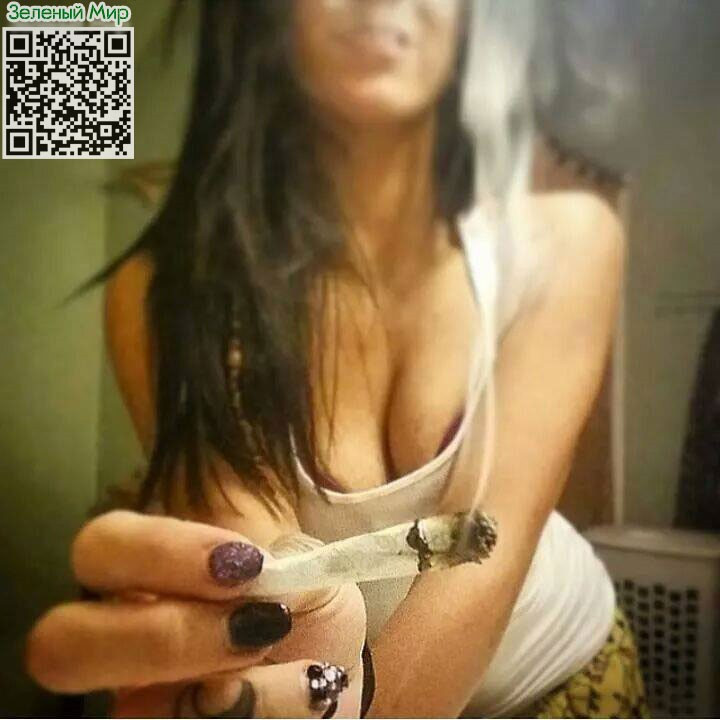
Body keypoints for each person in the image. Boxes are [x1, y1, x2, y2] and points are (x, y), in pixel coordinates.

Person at [26, 1, 649, 717]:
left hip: (565, 677)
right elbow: (291, 613)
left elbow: (485, 552)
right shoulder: (165, 293)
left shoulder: (567, 241)